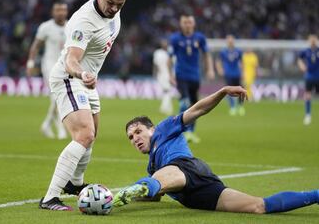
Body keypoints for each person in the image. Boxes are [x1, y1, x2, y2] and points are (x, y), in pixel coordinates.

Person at [113, 86, 319, 214]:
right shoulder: (153, 167)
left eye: (138, 131)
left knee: (158, 178)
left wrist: (221, 93)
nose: (135, 139)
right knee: (259, 207)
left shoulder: (165, 129)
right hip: (197, 194)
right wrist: (136, 193)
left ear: (152, 129)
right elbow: (154, 193)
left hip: (186, 168)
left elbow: (197, 110)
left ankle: (119, 196)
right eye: (131, 137)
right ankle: (316, 194)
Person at [39, 0, 133, 211]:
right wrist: (82, 75)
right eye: (110, 2)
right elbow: (71, 59)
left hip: (87, 81)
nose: (114, 9)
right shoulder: (83, 21)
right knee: (84, 134)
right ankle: (50, 197)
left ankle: (74, 184)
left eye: (120, 4)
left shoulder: (116, 5)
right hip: (71, 78)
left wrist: (87, 77)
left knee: (92, 137)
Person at [168, 14, 214, 143]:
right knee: (185, 102)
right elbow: (169, 58)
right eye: (184, 22)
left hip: (195, 76)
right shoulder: (175, 39)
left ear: (193, 24)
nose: (187, 25)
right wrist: (170, 75)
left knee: (195, 105)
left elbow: (206, 54)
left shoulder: (199, 38)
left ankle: (191, 132)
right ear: (181, 24)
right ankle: (181, 132)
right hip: (181, 75)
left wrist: (210, 69)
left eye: (189, 22)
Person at [26, 2, 68, 139]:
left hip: (65, 66)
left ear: (66, 12)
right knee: (57, 96)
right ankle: (61, 129)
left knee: (58, 97)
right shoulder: (46, 27)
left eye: (63, 10)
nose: (60, 12)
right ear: (53, 12)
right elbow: (35, 46)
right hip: (49, 65)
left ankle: (47, 125)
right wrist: (31, 63)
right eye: (57, 10)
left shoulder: (71, 26)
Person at [215, 35, 245, 116]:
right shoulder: (223, 51)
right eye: (229, 41)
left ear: (233, 42)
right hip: (228, 74)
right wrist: (220, 70)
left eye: (231, 41)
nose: (230, 42)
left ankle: (240, 106)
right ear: (227, 42)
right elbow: (218, 61)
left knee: (240, 90)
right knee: (228, 91)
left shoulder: (238, 51)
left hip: (237, 73)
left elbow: (241, 62)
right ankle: (232, 107)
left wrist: (242, 72)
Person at [297, 34, 319, 125]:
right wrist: (301, 65)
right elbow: (299, 59)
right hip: (309, 76)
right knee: (308, 95)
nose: (313, 42)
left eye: (314, 40)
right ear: (309, 41)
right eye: (311, 40)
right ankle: (308, 115)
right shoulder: (306, 51)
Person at [153, 38, 173, 115]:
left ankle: (165, 108)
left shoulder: (170, 53)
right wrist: (154, 73)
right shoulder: (158, 53)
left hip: (169, 74)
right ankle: (166, 108)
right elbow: (155, 64)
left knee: (167, 91)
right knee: (166, 91)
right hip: (161, 74)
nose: (164, 45)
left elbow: (172, 64)